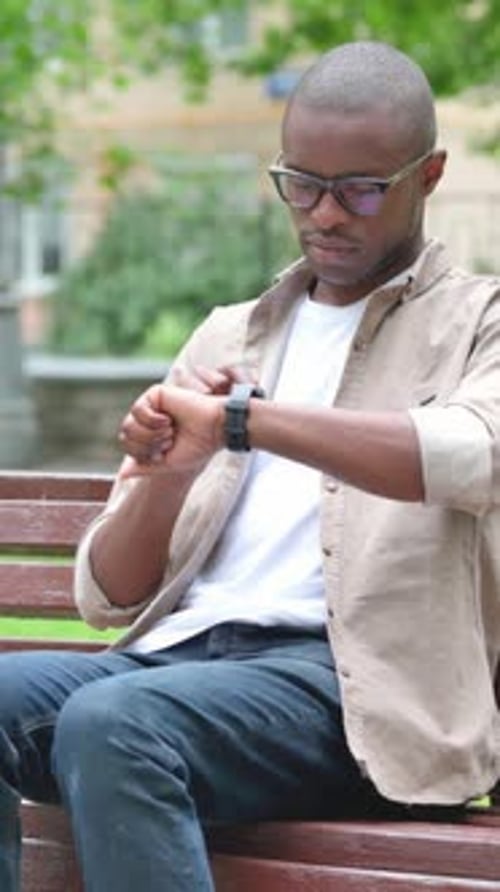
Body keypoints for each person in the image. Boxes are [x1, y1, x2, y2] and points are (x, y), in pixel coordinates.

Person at [1, 40, 500, 892]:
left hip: (354, 696)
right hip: (182, 664)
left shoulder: (479, 322)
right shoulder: (231, 332)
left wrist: (247, 421)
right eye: (301, 184)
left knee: (115, 724)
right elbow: (108, 595)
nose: (326, 214)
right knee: (95, 709)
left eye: (361, 189)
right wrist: (168, 474)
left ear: (431, 174)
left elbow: (467, 454)